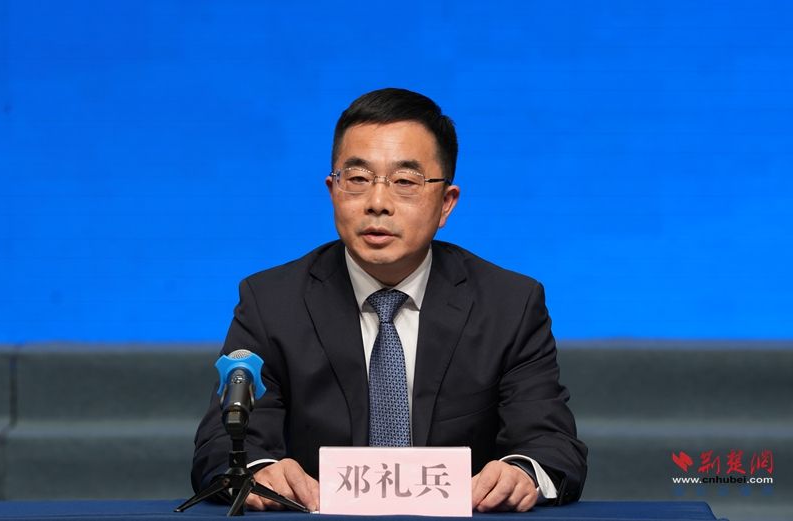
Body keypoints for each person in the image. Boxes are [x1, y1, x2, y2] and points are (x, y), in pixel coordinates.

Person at [191, 88, 587, 512]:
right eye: (358, 179)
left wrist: (521, 473)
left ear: (446, 203)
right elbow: (221, 445)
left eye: (405, 182)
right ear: (333, 190)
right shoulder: (272, 302)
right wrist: (259, 470)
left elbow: (551, 445)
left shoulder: (508, 305)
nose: (377, 203)